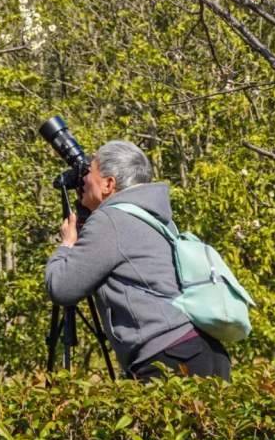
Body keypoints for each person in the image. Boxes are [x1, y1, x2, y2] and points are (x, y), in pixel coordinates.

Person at [44, 140, 230, 381]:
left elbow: (61, 288)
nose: (83, 180)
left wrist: (67, 244)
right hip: (205, 350)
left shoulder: (110, 220)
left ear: (109, 183)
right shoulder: (155, 216)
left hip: (169, 357)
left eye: (89, 172)